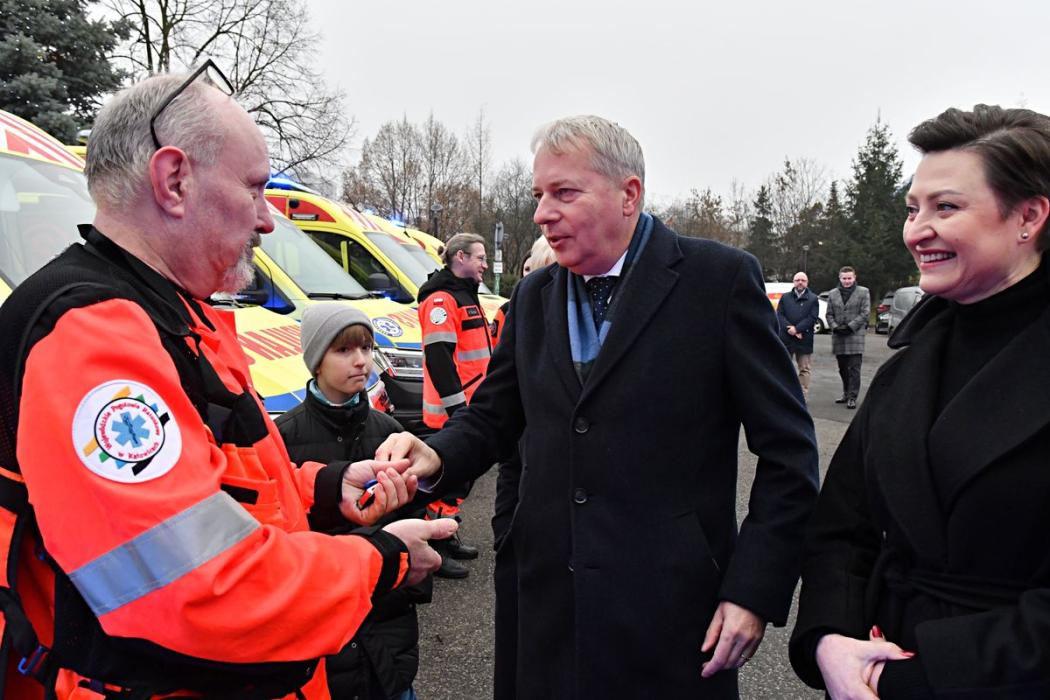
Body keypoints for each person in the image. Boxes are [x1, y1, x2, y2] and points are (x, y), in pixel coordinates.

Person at [0, 70, 453, 700]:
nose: (268, 220)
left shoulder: (169, 314)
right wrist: (382, 559)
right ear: (174, 180)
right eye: (255, 188)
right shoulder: (92, 337)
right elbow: (200, 586)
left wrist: (325, 488)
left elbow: (213, 484)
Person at [379, 115, 820, 698]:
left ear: (628, 194)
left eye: (564, 193)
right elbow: (493, 417)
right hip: (546, 604)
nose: (541, 213)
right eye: (539, 195)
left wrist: (753, 590)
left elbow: (789, 454)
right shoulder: (533, 296)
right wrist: (432, 456)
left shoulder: (717, 281)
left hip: (671, 610)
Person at [790, 104, 1050, 699]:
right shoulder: (908, 365)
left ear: (1029, 216)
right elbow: (840, 526)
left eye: (946, 207)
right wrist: (831, 640)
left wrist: (923, 674)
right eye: (913, 209)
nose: (915, 231)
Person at [276, 304, 430, 700]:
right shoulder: (282, 439)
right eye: (344, 350)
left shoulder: (391, 433)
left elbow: (416, 516)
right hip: (320, 632)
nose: (361, 361)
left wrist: (410, 580)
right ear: (315, 360)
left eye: (366, 348)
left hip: (387, 628)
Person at [489, 234, 556, 700]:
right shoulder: (522, 315)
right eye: (529, 272)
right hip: (529, 543)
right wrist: (504, 529)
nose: (532, 282)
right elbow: (508, 447)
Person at [416, 232, 492, 578]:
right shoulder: (442, 300)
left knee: (459, 480)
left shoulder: (463, 296)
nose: (485, 264)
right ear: (459, 257)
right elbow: (439, 358)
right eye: (479, 257)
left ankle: (445, 533)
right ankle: (431, 546)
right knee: (447, 482)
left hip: (470, 410)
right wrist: (457, 410)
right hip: (451, 414)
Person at [826, 266, 871, 409]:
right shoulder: (832, 294)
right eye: (844, 278)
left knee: (854, 368)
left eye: (849, 278)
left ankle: (852, 397)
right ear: (840, 278)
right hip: (838, 336)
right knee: (842, 368)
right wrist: (834, 327)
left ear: (854, 277)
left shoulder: (863, 292)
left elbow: (865, 313)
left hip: (855, 336)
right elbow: (829, 314)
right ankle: (846, 393)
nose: (846, 281)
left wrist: (850, 326)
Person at [776, 271, 820, 398]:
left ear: (807, 282)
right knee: (784, 367)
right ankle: (783, 394)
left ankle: (802, 396)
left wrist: (797, 329)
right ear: (793, 282)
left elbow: (812, 318)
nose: (800, 282)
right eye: (797, 280)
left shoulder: (813, 299)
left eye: (803, 280)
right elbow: (779, 315)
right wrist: (790, 328)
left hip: (804, 338)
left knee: (804, 369)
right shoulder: (785, 297)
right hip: (786, 337)